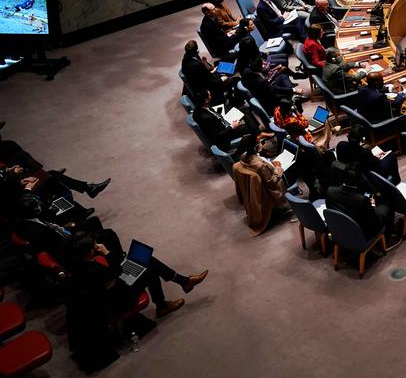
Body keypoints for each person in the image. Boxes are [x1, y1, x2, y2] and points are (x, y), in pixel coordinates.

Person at [70, 229, 208, 319]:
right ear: (89, 252)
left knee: (144, 257)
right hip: (120, 299)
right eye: (95, 245)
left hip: (114, 286)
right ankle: (163, 305)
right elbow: (116, 271)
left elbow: (113, 271)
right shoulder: (93, 270)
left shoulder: (78, 261)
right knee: (149, 272)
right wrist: (106, 252)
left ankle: (184, 282)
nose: (99, 245)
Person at [326, 163, 395, 243]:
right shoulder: (361, 200)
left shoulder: (330, 191)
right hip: (362, 233)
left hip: (341, 230)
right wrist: (372, 205)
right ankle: (388, 236)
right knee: (387, 203)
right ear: (359, 180)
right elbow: (374, 221)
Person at [236, 135, 287, 208]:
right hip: (271, 189)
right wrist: (278, 168)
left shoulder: (243, 157)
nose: (261, 143)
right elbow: (271, 182)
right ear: (255, 147)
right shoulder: (260, 166)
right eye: (259, 142)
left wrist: (269, 164)